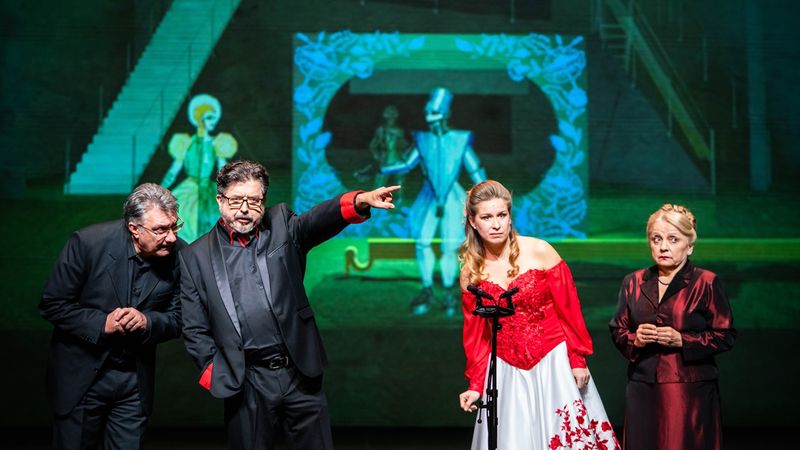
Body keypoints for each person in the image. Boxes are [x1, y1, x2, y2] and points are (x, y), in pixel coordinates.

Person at [179, 160, 399, 450]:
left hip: (299, 371)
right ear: (220, 200)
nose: (244, 209)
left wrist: (359, 200)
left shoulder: (281, 224)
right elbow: (194, 327)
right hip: (247, 380)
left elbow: (317, 220)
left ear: (263, 201)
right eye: (235, 200)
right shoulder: (195, 257)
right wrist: (215, 374)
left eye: (253, 201)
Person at [458, 180, 618, 450]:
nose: (496, 224)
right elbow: (477, 338)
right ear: (473, 222)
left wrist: (577, 359)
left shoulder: (540, 251)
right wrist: (476, 385)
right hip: (506, 370)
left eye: (501, 215)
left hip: (553, 362)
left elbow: (569, 310)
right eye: (486, 217)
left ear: (510, 216)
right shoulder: (470, 273)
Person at [39, 183, 186, 449]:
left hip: (134, 382)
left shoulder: (180, 256)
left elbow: (179, 317)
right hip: (81, 379)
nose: (172, 238)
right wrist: (101, 323)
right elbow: (52, 304)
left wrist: (148, 322)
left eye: (175, 227)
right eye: (161, 230)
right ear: (134, 229)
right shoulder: (87, 243)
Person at [609, 204, 735, 450]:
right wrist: (636, 339)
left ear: (690, 245)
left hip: (688, 389)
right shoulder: (633, 282)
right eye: (656, 239)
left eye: (673, 239)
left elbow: (725, 335)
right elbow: (618, 330)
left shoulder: (706, 282)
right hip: (642, 385)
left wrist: (683, 340)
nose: (663, 247)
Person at [381, 87, 486, 316]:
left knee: (449, 247)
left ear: (446, 114)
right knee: (422, 242)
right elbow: (406, 163)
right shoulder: (423, 140)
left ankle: (448, 292)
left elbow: (476, 169)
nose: (431, 117)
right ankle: (427, 289)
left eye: (435, 112)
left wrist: (487, 195)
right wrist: (382, 168)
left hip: (452, 197)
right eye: (428, 112)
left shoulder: (460, 140)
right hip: (428, 196)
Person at [161, 93, 237, 242]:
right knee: (183, 218)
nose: (213, 122)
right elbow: (174, 169)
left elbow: (224, 169)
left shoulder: (217, 143)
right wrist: (159, 189)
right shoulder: (186, 143)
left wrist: (232, 190)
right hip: (189, 188)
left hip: (208, 189)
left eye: (214, 118)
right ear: (200, 119)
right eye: (209, 118)